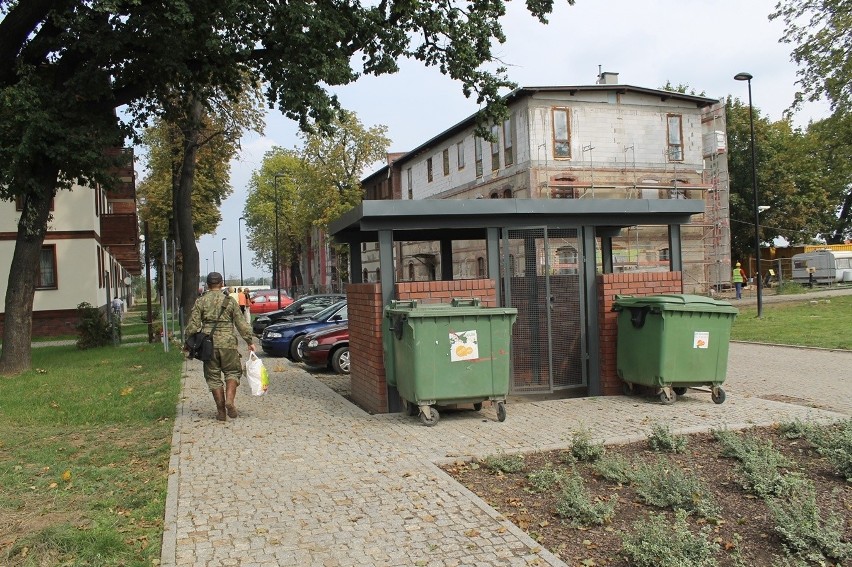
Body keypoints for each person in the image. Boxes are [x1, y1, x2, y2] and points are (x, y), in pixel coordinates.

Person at [186, 272, 255, 422]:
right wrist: (249, 341)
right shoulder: (229, 301)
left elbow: (193, 325)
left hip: (208, 345)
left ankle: (221, 412)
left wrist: (188, 341)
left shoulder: (201, 301)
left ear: (208, 284)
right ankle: (230, 400)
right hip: (228, 343)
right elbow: (241, 324)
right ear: (222, 283)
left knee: (213, 377)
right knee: (232, 372)